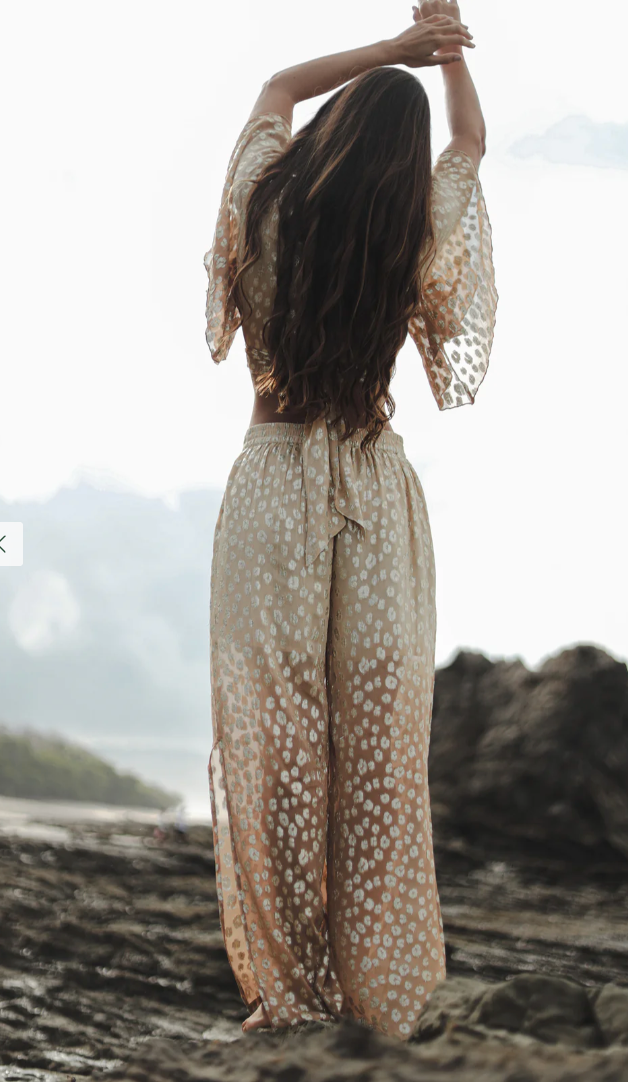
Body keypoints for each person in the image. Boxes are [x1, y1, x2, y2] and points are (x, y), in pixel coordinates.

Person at [204, 0, 497, 1041]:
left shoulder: (271, 197)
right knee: (375, 753)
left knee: (277, 747)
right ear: (400, 164)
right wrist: (449, 51)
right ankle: (381, 993)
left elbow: (278, 88)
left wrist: (396, 50)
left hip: (274, 486)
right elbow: (466, 143)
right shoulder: (410, 227)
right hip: (374, 495)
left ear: (333, 133)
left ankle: (289, 994)